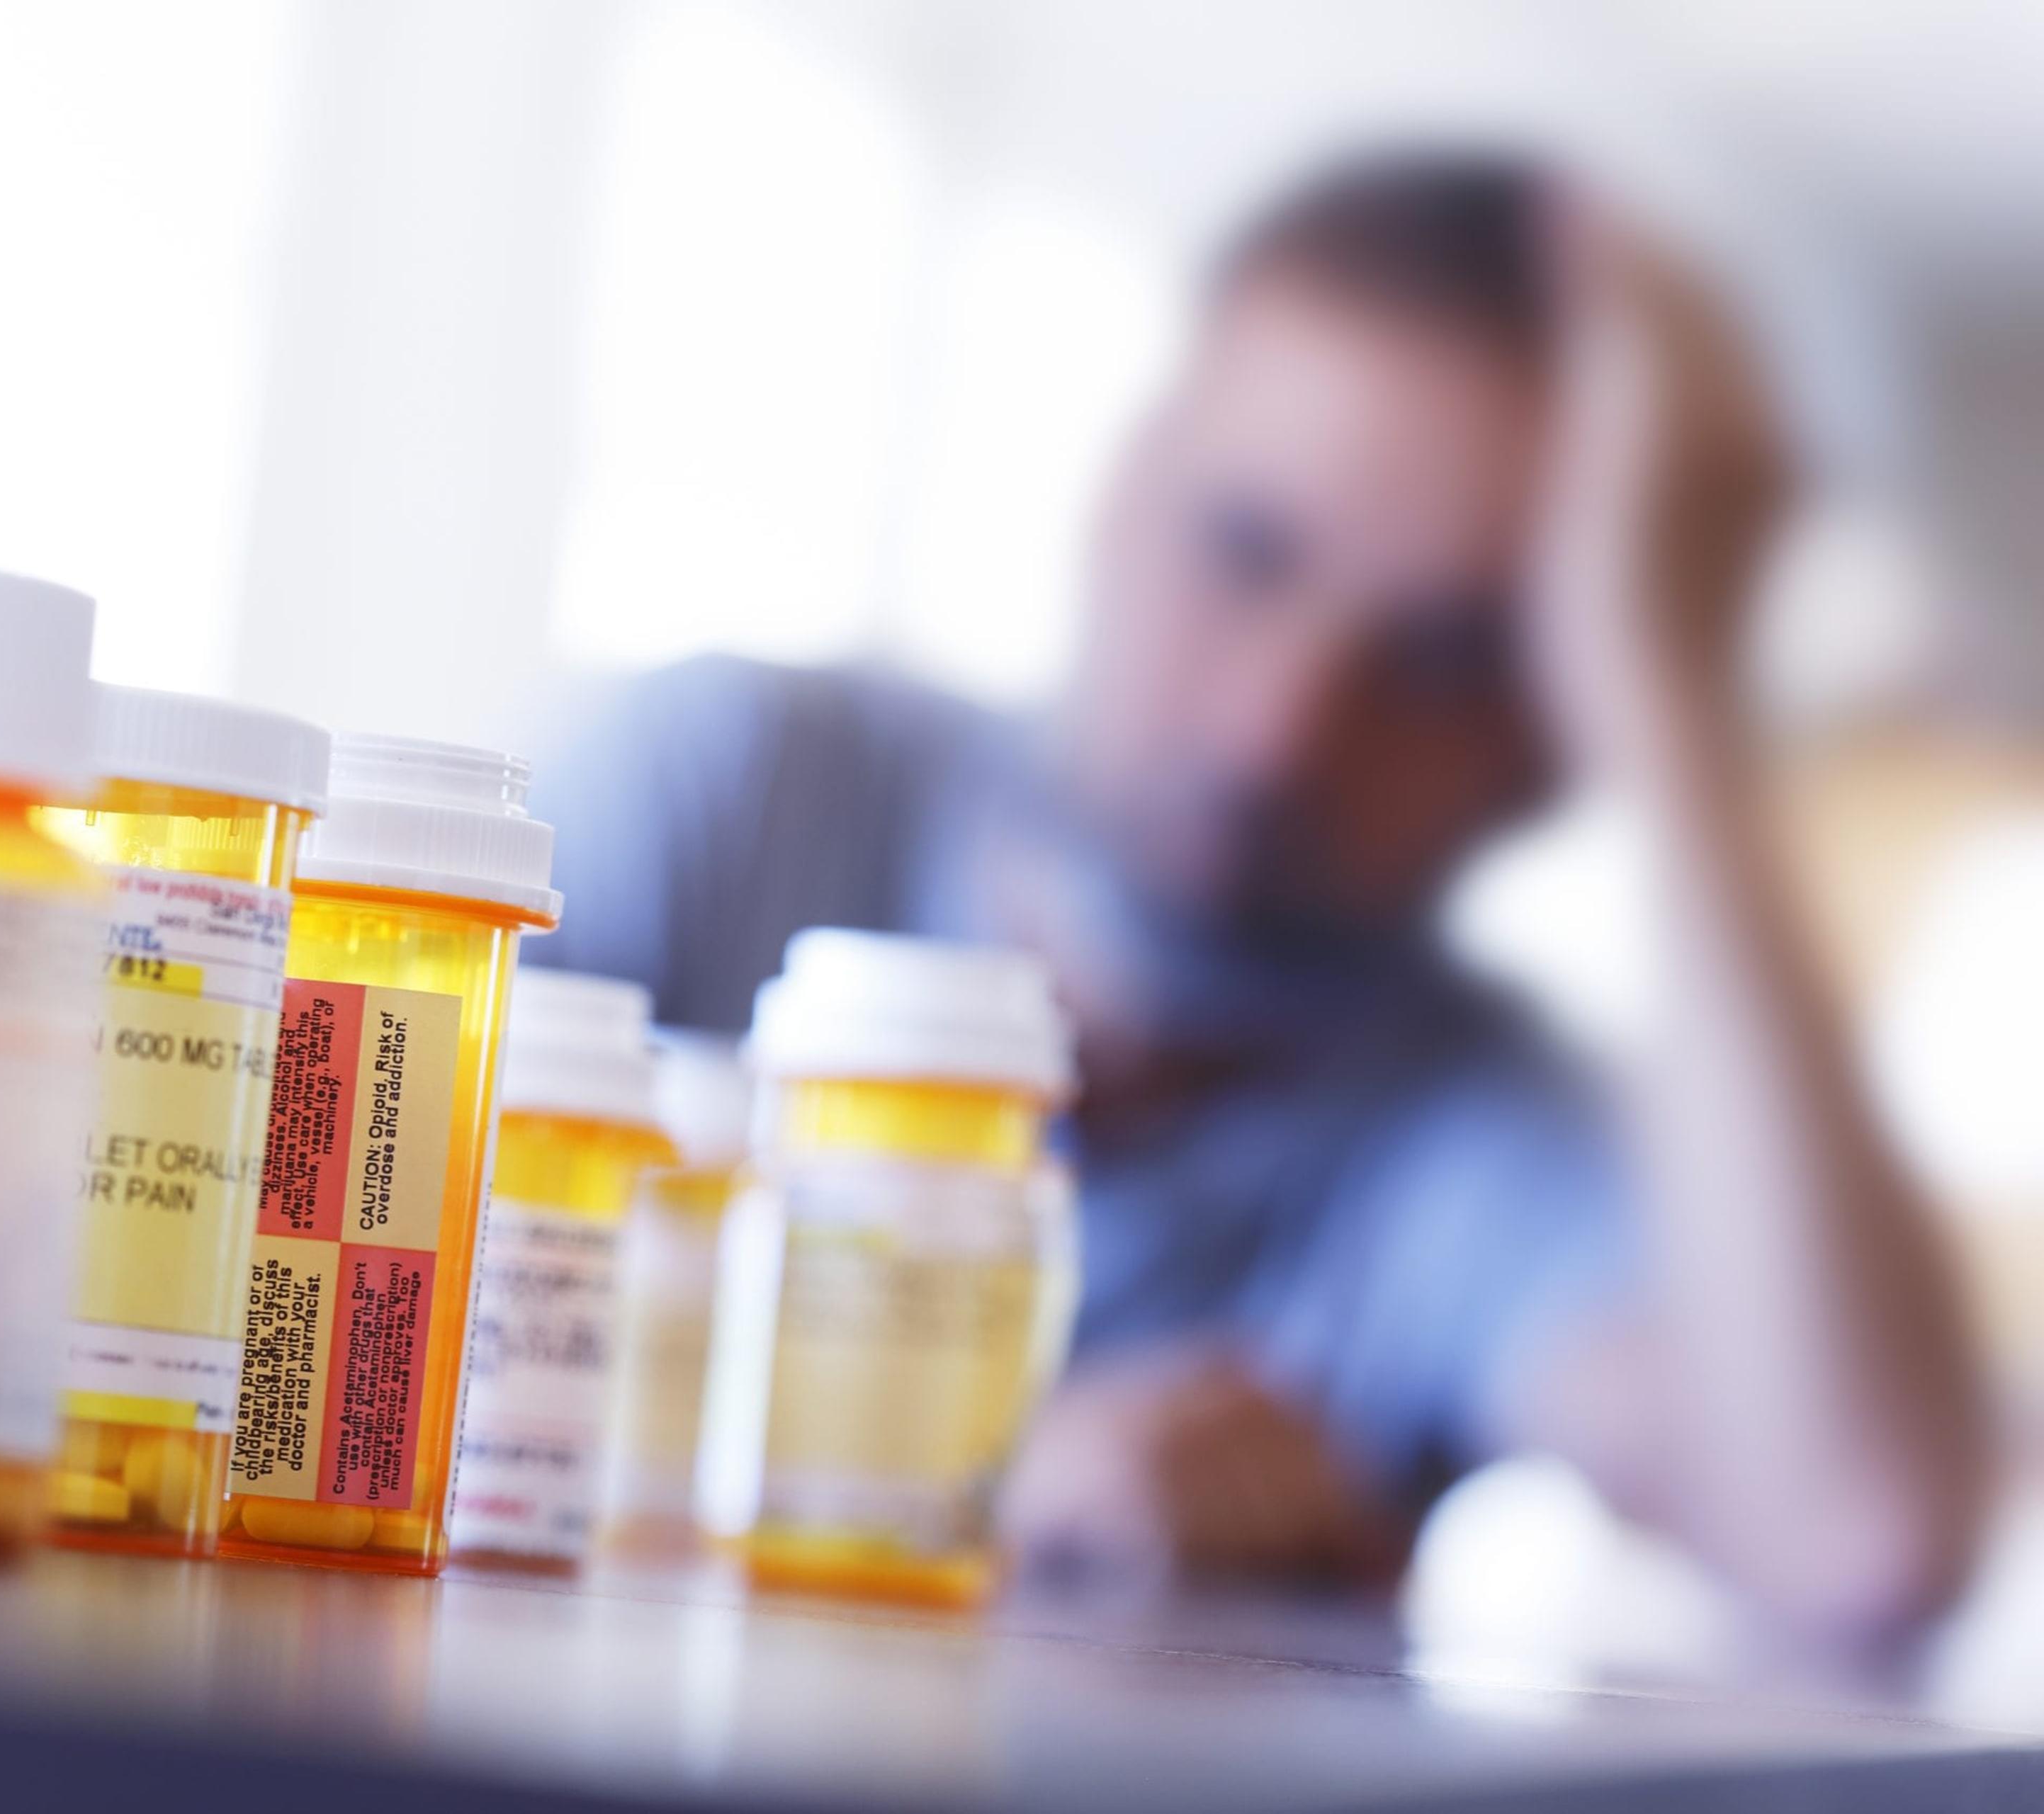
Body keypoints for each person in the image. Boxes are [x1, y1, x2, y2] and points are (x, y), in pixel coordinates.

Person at [530, 149, 1990, 1637]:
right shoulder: (737, 790)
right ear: (1118, 492)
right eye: (1247, 550)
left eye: (1439, 658)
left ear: (1549, 746)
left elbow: (1860, 1537)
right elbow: (321, 1295)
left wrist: (1675, 705)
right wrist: (962, 1490)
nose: (1277, 730)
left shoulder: (1462, 1137)